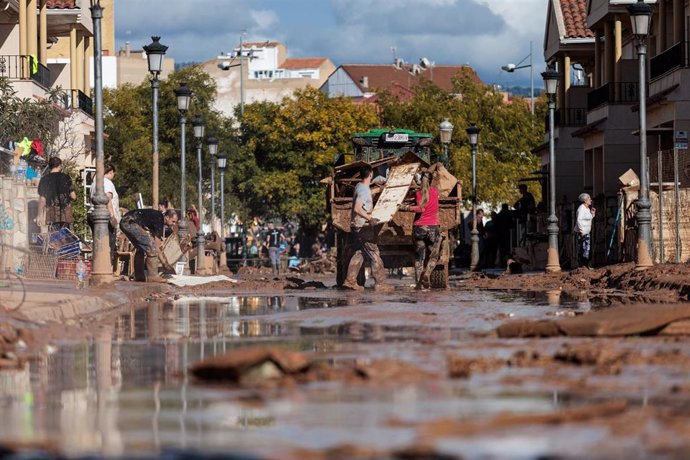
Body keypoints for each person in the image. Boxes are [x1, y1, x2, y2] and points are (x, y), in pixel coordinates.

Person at [343, 164, 390, 291]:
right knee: (374, 252)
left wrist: (379, 190)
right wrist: (370, 219)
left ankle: (350, 281)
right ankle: (381, 283)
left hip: (357, 225)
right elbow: (357, 208)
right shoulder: (363, 190)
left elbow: (364, 193)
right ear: (371, 175)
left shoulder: (360, 186)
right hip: (363, 225)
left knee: (360, 252)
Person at [399, 171, 440, 289]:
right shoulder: (435, 192)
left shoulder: (418, 193)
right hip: (433, 227)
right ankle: (427, 274)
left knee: (419, 258)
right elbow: (423, 208)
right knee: (433, 256)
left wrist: (404, 207)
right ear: (431, 181)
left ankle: (418, 284)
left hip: (419, 228)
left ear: (420, 181)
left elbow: (420, 208)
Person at [120, 208, 179, 282]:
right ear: (167, 218)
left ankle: (139, 276)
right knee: (151, 247)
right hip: (130, 222)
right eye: (173, 221)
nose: (174, 224)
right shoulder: (159, 220)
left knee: (140, 248)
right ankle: (153, 276)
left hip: (124, 222)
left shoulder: (156, 216)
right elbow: (156, 245)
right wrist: (165, 263)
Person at [87, 163, 119, 272]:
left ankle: (97, 267)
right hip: (104, 216)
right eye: (113, 173)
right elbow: (107, 200)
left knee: (97, 243)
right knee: (108, 244)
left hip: (92, 215)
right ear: (109, 173)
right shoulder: (108, 183)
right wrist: (112, 217)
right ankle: (106, 269)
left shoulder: (94, 183)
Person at [36, 157, 76, 231]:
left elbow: (42, 199)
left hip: (52, 213)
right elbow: (73, 196)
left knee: (54, 238)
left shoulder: (44, 179)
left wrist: (39, 215)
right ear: (59, 165)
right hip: (66, 213)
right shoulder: (66, 177)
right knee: (67, 238)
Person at [574, 193, 596, 268]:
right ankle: (582, 266)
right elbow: (579, 220)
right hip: (582, 232)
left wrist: (592, 213)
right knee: (583, 249)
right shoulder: (581, 208)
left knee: (587, 249)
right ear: (585, 200)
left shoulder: (587, 208)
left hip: (587, 232)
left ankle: (585, 265)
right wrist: (581, 231)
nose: (590, 200)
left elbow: (589, 218)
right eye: (589, 198)